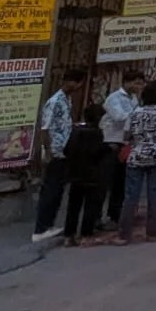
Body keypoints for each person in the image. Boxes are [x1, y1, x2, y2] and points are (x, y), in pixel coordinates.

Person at [115, 78, 156, 244]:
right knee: (155, 196)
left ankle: (123, 235)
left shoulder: (135, 112)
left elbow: (126, 136)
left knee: (130, 197)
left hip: (136, 156)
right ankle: (152, 233)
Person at [32, 67, 85, 242]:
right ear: (72, 82)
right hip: (54, 152)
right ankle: (41, 228)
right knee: (51, 190)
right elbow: (45, 129)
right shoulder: (55, 101)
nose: (78, 87)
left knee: (57, 191)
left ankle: (48, 225)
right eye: (78, 83)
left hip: (63, 151)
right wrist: (47, 152)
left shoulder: (66, 100)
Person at [62, 103, 111, 246]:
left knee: (73, 206)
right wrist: (108, 149)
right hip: (92, 176)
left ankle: (68, 235)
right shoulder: (96, 133)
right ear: (98, 118)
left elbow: (66, 150)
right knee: (90, 206)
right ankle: (86, 234)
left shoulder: (76, 131)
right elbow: (96, 153)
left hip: (75, 175)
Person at [101, 69, 144, 225]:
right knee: (108, 181)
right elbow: (119, 117)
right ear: (127, 82)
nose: (139, 86)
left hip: (126, 144)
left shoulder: (133, 99)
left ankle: (115, 214)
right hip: (112, 142)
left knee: (121, 182)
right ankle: (98, 217)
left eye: (141, 83)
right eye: (136, 83)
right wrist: (137, 113)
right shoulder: (114, 98)